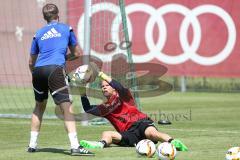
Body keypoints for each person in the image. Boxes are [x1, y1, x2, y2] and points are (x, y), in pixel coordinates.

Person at [27, 3, 94, 156]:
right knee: (67, 107)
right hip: (55, 70)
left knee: (39, 106)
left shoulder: (37, 34)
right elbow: (77, 52)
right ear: (58, 16)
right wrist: (63, 58)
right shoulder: (66, 28)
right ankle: (75, 146)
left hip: (38, 71)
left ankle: (32, 145)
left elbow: (31, 62)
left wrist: (35, 75)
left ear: (44, 18)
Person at [79, 70, 188, 151]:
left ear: (113, 87)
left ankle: (173, 142)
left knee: (151, 133)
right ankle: (100, 144)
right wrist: (82, 90)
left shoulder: (124, 95)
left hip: (141, 123)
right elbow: (87, 108)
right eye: (102, 86)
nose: (104, 87)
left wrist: (100, 74)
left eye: (107, 85)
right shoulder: (104, 107)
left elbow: (119, 86)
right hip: (129, 133)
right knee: (107, 133)